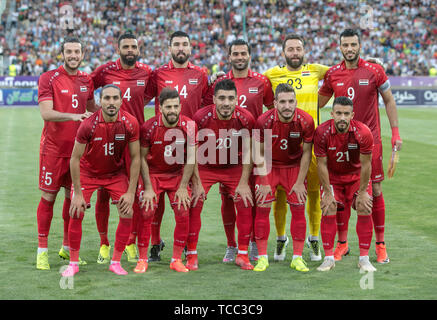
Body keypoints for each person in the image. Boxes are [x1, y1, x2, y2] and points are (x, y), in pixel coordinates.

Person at [318, 29, 402, 264]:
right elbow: (318, 101)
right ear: (340, 47)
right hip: (342, 141)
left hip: (370, 140)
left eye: (353, 44)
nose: (350, 48)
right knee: (341, 192)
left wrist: (395, 132)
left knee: (374, 191)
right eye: (346, 45)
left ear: (360, 46)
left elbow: (389, 100)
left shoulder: (375, 70)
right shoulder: (333, 74)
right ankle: (342, 244)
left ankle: (380, 244)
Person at [204, 39, 274, 263]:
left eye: (244, 53)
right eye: (236, 53)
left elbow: (273, 110)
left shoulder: (262, 81)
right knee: (228, 199)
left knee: (254, 198)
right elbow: (209, 107)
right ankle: (231, 246)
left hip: (254, 147)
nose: (240, 57)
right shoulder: (221, 82)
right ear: (229, 56)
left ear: (250, 56)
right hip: (227, 150)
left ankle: (253, 242)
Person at [62, 84, 140, 277]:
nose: (111, 102)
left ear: (121, 101)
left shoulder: (130, 123)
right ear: (100, 101)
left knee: (128, 211)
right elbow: (74, 158)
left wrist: (130, 192)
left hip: (115, 174)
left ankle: (115, 262)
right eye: (107, 98)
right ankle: (73, 263)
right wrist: (78, 194)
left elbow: (136, 157)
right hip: (88, 173)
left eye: (115, 98)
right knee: (76, 211)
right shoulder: (88, 124)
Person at [144, 31, 209, 262]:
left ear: (191, 48)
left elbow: (209, 102)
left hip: (190, 143)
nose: (181, 48)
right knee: (155, 201)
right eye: (176, 44)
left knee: (190, 198)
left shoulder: (201, 73)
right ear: (169, 48)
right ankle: (154, 243)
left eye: (185, 44)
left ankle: (187, 247)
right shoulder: (158, 73)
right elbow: (141, 98)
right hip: (161, 144)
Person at [263, 34, 328, 262]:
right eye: (290, 49)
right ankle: (281, 239)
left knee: (312, 194)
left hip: (311, 143)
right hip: (283, 144)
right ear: (283, 53)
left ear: (304, 51)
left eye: (298, 49)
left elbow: (341, 72)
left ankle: (313, 238)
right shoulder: (272, 74)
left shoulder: (316, 70)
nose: (294, 53)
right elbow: (251, 84)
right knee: (280, 195)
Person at [90, 32, 153, 265]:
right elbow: (87, 87)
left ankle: (130, 242)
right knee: (103, 193)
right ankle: (104, 243)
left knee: (134, 194)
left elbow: (150, 94)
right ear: (118, 49)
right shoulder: (105, 71)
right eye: (125, 46)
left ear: (138, 49)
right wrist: (92, 110)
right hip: (107, 138)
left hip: (133, 141)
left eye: (133, 47)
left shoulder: (146, 72)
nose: (129, 50)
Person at [36, 36, 97, 270]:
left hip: (79, 153)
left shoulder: (87, 80)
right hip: (53, 151)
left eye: (77, 52)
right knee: (48, 198)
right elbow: (46, 113)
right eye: (69, 51)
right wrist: (74, 116)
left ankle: (67, 247)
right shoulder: (48, 78)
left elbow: (92, 110)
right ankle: (42, 251)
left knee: (73, 201)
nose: (73, 55)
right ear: (62, 53)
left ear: (83, 54)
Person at [187, 79, 255, 271]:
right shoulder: (200, 117)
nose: (226, 103)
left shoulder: (246, 118)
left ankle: (242, 254)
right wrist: (197, 182)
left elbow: (250, 152)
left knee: (244, 200)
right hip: (206, 166)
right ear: (214, 99)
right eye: (222, 98)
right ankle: (191, 254)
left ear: (237, 100)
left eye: (231, 98)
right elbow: (192, 151)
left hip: (233, 166)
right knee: (195, 200)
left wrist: (243, 182)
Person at [253, 83, 314, 272]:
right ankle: (262, 258)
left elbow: (306, 153)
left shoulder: (306, 121)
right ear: (275, 103)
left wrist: (299, 182)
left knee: (298, 208)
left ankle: (297, 257)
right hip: (269, 167)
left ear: (296, 102)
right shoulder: (263, 121)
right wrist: (263, 181)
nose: (287, 106)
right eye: (283, 102)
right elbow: (258, 152)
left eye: (290, 102)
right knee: (262, 208)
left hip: (294, 168)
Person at [137, 87, 197, 273]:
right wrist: (147, 187)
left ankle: (176, 259)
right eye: (168, 107)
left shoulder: (190, 126)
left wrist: (182, 187)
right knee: (147, 211)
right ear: (160, 108)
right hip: (153, 174)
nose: (172, 110)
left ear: (180, 107)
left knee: (182, 210)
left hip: (177, 174)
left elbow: (191, 158)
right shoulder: (148, 127)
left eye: (176, 106)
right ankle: (142, 259)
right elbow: (141, 159)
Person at [314, 96, 376, 272]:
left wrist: (363, 192)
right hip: (333, 178)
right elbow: (322, 165)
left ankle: (364, 259)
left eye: (346, 114)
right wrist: (327, 192)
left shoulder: (363, 132)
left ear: (352, 115)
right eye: (339, 113)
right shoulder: (322, 132)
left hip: (356, 178)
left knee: (365, 206)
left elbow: (366, 165)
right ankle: (328, 258)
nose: (342, 117)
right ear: (332, 113)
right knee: (328, 207)